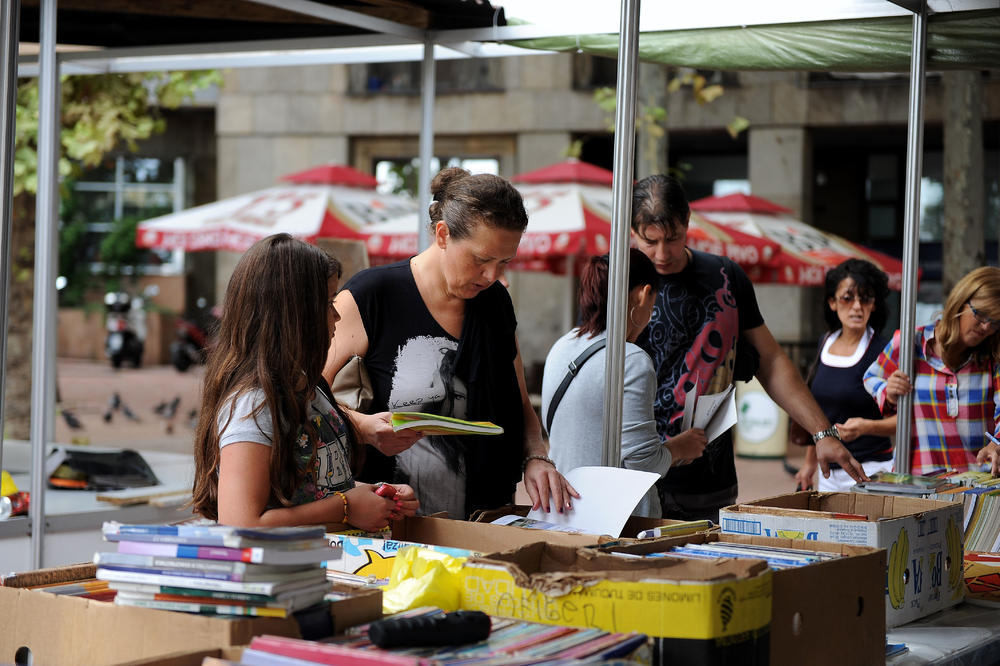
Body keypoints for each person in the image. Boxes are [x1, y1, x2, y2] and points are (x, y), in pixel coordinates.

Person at [322, 167, 578, 519]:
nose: (492, 276)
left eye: (504, 262)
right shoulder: (371, 295)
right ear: (443, 234)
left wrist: (536, 456)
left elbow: (519, 402)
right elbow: (307, 401)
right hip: (390, 523)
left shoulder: (496, 302)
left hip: (488, 519)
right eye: (481, 259)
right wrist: (363, 428)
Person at [630, 174, 866, 522]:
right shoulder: (615, 279)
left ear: (687, 222)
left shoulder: (725, 275)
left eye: (673, 238)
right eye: (649, 241)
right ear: (632, 232)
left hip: (710, 480)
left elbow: (771, 362)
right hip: (635, 477)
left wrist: (822, 432)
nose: (662, 254)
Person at [192, 233, 418, 530]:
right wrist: (347, 507)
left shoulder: (305, 388)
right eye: (327, 303)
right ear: (292, 315)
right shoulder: (254, 405)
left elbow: (315, 487)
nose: (336, 316)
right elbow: (241, 521)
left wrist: (375, 495)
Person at [541, 250, 707, 517]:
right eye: (653, 302)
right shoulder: (631, 360)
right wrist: (680, 447)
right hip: (619, 518)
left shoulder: (562, 346)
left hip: (564, 511)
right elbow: (644, 464)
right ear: (643, 295)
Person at [864, 266, 1000, 476]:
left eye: (994, 322)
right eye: (981, 315)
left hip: (976, 488)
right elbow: (871, 376)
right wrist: (887, 390)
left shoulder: (993, 356)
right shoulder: (911, 343)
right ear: (961, 301)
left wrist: (997, 442)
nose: (985, 328)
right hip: (917, 481)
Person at [793, 259, 897, 491]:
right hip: (828, 472)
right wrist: (809, 463)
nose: (857, 307)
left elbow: (905, 419)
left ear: (874, 305)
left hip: (871, 471)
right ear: (832, 302)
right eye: (847, 298)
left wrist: (865, 427)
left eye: (866, 298)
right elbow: (817, 412)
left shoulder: (884, 352)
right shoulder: (825, 342)